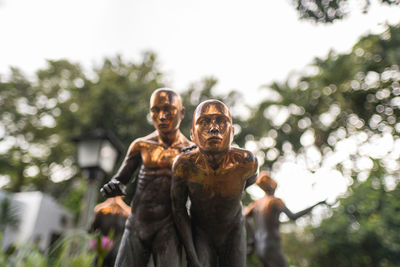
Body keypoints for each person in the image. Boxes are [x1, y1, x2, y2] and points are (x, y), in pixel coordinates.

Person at [100, 88, 191, 267]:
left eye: (168, 109)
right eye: (155, 110)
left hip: (169, 225)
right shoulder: (141, 145)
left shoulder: (191, 151)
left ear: (182, 112)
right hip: (137, 223)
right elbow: (121, 178)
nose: (162, 116)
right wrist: (113, 186)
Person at [171, 99, 258, 267]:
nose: (213, 128)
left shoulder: (246, 162)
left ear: (231, 133)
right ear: (192, 135)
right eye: (204, 122)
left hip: (233, 229)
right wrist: (190, 253)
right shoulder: (184, 165)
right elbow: (178, 209)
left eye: (221, 121)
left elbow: (249, 182)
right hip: (201, 231)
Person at [244, 171, 327, 267]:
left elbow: (245, 217)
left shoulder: (256, 204)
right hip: (272, 246)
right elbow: (293, 216)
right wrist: (317, 204)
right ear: (271, 184)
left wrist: (252, 239)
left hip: (259, 247)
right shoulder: (275, 201)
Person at [89, 196, 131, 267]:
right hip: (115, 251)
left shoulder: (101, 211)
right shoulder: (126, 213)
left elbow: (91, 230)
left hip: (104, 249)